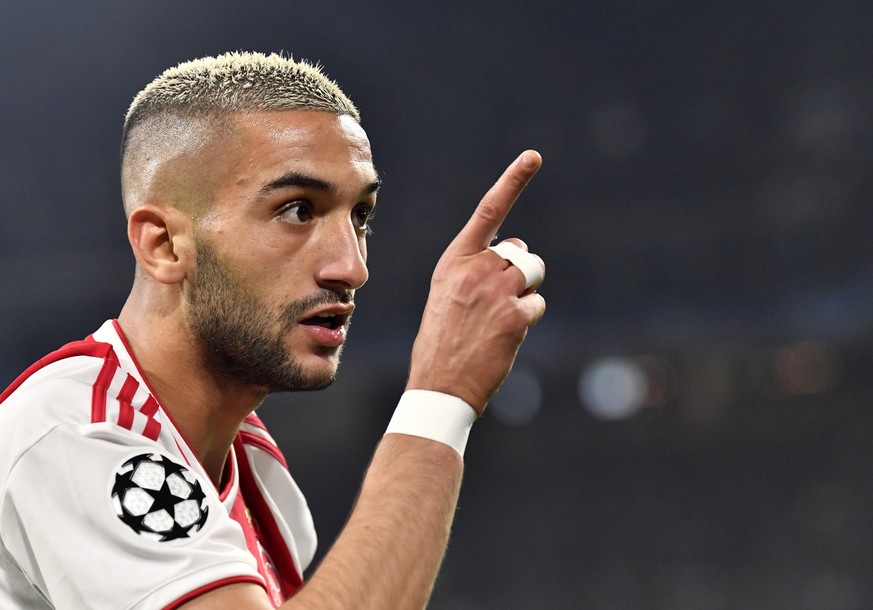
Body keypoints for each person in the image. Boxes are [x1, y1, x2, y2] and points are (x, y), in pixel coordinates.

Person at [0, 52, 546, 609]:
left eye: (360, 216)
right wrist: (441, 395)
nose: (352, 268)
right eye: (297, 211)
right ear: (163, 245)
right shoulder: (75, 430)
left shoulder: (259, 474)